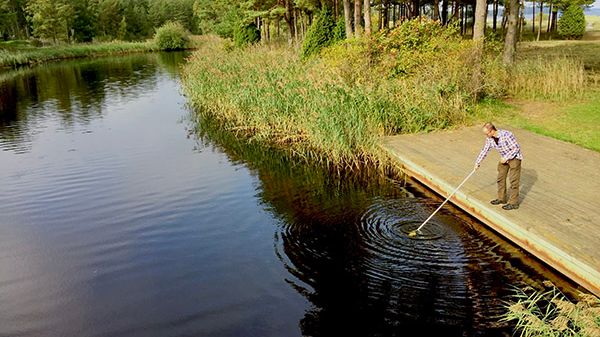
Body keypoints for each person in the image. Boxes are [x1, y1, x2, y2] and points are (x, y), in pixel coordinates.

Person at [474, 122, 523, 210]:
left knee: (513, 181)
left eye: (486, 133)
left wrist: (506, 157)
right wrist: (478, 162)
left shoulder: (507, 135)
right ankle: (501, 198)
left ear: (492, 131)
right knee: (500, 178)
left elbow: (516, 148)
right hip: (504, 158)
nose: (486, 136)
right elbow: (485, 150)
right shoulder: (489, 138)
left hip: (514, 158)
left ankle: (513, 203)